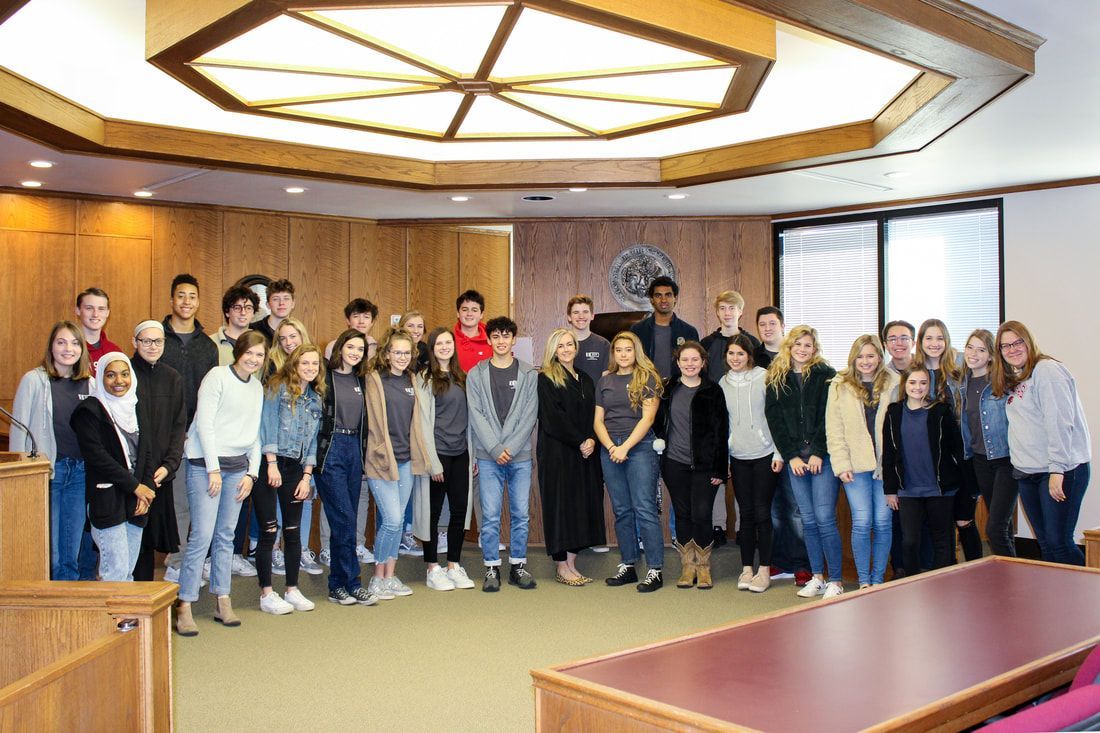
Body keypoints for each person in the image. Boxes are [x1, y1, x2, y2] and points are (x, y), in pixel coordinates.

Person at [175, 331, 266, 636]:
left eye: (260, 355)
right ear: (238, 351)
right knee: (201, 536)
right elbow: (204, 424)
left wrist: (252, 474)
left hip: (238, 469)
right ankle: (185, 603)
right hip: (205, 466)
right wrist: (213, 468)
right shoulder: (217, 377)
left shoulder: (256, 387)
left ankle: (222, 599)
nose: (253, 359)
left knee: (226, 536)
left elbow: (255, 434)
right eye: (249, 353)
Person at [993, 320, 1091, 566]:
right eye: (1005, 346)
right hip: (1027, 472)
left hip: (1059, 470)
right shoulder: (1016, 377)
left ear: (1029, 342)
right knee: (1045, 543)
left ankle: (1087, 589)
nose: (1012, 349)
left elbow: (1059, 422)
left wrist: (1057, 469)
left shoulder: (1046, 370)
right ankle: (1056, 591)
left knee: (1059, 542)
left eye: (1018, 342)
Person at [10, 321, 93, 580]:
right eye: (61, 342)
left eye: (75, 343)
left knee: (71, 548)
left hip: (80, 472)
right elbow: (19, 431)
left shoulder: (90, 384)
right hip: (47, 472)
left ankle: (67, 596)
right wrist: (19, 476)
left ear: (82, 349)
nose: (68, 348)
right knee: (51, 551)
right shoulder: (34, 380)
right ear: (51, 347)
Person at [765, 325, 841, 599]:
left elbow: (830, 417)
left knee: (824, 518)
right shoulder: (777, 377)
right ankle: (817, 577)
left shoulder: (827, 376)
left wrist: (819, 451)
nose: (802, 349)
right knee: (807, 520)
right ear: (789, 346)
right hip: (795, 460)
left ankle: (836, 580)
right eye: (797, 344)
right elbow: (775, 421)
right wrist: (791, 456)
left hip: (823, 458)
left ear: (815, 348)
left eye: (807, 345)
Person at [364, 327, 440, 599]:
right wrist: (378, 451)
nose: (402, 357)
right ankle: (377, 577)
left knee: (395, 522)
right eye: (397, 352)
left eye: (407, 353)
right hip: (382, 461)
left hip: (407, 461)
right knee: (393, 520)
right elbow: (371, 421)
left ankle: (390, 575)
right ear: (386, 353)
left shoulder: (411, 379)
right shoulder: (374, 379)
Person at [467, 316, 539, 592]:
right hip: (488, 457)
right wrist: (496, 449)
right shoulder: (476, 374)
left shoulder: (529, 373)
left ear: (513, 339)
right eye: (495, 336)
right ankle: (491, 568)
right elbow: (476, 415)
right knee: (490, 515)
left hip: (520, 456)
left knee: (521, 514)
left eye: (505, 336)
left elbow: (530, 414)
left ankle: (518, 566)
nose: (500, 341)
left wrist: (510, 448)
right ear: (488, 339)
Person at [70, 353, 155, 582]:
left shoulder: (136, 407)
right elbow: (98, 457)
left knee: (127, 572)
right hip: (107, 499)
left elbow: (147, 452)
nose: (119, 381)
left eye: (125, 374)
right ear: (100, 378)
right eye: (111, 375)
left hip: (136, 500)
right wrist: (136, 487)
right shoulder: (89, 411)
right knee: (115, 574)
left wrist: (146, 490)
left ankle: (124, 610)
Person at [254, 344, 325, 615]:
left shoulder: (316, 398)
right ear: (294, 364)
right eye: (305, 363)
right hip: (270, 464)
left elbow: (313, 441)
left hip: (297, 468)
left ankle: (292, 589)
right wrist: (271, 464)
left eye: (315, 364)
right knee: (269, 531)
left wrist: (307, 477)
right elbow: (267, 426)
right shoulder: (276, 388)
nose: (310, 368)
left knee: (293, 532)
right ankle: (266, 593)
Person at [825, 335, 899, 588]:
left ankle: (877, 580)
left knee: (883, 522)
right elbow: (834, 428)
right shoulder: (839, 384)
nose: (865, 361)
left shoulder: (894, 382)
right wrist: (841, 464)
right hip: (854, 466)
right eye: (860, 356)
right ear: (853, 358)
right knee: (862, 521)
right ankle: (864, 581)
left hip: (886, 466)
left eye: (870, 355)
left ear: (879, 356)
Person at [654, 341, 728, 589]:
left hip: (706, 466)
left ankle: (703, 568)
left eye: (695, 359)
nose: (690, 364)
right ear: (678, 363)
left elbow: (721, 431)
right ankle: (688, 567)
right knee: (683, 514)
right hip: (674, 463)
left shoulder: (713, 390)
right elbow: (658, 422)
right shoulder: (668, 389)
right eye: (685, 360)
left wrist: (720, 468)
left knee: (702, 514)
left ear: (703, 362)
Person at [594, 331, 665, 592]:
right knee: (622, 510)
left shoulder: (647, 377)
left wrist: (624, 447)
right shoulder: (605, 381)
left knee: (644, 508)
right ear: (613, 354)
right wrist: (612, 447)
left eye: (628, 349)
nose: (623, 354)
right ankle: (629, 564)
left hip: (640, 448)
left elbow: (648, 419)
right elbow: (597, 421)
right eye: (618, 350)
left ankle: (655, 569)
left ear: (636, 352)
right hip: (610, 449)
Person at [160, 273, 219, 582]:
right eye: (181, 295)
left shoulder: (207, 346)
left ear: (198, 302)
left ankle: (192, 558)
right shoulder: (157, 338)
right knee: (175, 502)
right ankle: (177, 560)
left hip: (197, 435)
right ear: (172, 299)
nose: (186, 301)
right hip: (163, 435)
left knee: (198, 502)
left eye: (192, 296)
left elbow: (211, 394)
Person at [537, 328, 605, 586]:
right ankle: (561, 566)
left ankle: (572, 564)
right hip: (557, 453)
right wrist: (580, 441)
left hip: (585, 452)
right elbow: (552, 419)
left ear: (576, 348)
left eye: (569, 345)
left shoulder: (585, 378)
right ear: (553, 350)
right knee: (560, 507)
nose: (566, 349)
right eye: (561, 345)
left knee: (581, 506)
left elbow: (594, 415)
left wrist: (591, 439)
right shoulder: (546, 378)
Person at [882, 366, 964, 575]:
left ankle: (941, 584)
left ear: (929, 386)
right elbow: (889, 453)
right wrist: (890, 490)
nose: (917, 387)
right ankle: (912, 583)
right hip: (908, 489)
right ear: (905, 385)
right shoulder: (894, 412)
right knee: (909, 541)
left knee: (942, 541)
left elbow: (957, 449)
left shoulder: (941, 411)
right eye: (912, 382)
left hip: (939, 489)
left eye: (923, 383)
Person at [314, 329, 377, 606]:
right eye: (350, 347)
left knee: (346, 520)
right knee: (344, 518)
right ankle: (350, 582)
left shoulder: (360, 380)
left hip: (354, 450)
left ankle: (338, 584)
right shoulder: (323, 377)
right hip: (331, 450)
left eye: (360, 349)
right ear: (340, 347)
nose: (355, 353)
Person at [721, 333, 783, 593]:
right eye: (731, 353)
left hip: (765, 455)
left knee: (762, 512)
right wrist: (726, 457)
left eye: (740, 353)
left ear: (749, 355)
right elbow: (723, 425)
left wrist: (778, 453)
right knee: (745, 514)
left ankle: (764, 570)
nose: (735, 358)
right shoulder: (723, 383)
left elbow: (776, 417)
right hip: (738, 456)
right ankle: (747, 568)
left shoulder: (764, 377)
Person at [414, 327, 475, 590]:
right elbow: (422, 423)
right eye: (439, 343)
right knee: (433, 512)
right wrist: (432, 462)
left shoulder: (462, 377)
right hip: (437, 454)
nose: (444, 347)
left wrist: (472, 455)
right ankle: (432, 568)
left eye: (448, 342)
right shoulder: (425, 378)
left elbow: (470, 419)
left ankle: (453, 565)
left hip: (461, 453)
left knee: (460, 511)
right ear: (432, 348)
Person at [755, 306, 810, 586]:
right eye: (762, 324)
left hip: (794, 449)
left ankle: (802, 564)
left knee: (796, 509)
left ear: (782, 326)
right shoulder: (754, 357)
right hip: (764, 447)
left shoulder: (797, 360)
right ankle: (779, 561)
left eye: (772, 323)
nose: (767, 328)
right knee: (774, 509)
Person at [130, 320, 186, 582]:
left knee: (150, 539)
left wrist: (169, 465)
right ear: (135, 342)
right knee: (132, 537)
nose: (152, 346)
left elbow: (178, 426)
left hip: (160, 473)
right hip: (131, 474)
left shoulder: (172, 377)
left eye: (158, 341)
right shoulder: (125, 373)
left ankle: (145, 598)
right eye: (146, 341)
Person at [960, 328, 1015, 557]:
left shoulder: (1002, 382)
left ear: (991, 355)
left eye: (981, 350)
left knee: (995, 528)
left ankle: (1011, 574)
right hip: (980, 460)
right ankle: (1009, 570)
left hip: (1006, 460)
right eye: (970, 347)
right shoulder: (963, 383)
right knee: (1002, 524)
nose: (974, 354)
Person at [629, 276, 699, 380]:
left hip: (678, 386)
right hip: (645, 386)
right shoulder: (637, 330)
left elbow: (696, 365)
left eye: (668, 295)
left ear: (675, 298)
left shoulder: (689, 332)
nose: (663, 300)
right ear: (652, 300)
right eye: (658, 295)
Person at [700, 290, 761, 380]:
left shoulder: (753, 342)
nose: (727, 313)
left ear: (740, 311)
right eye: (722, 308)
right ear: (717, 312)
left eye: (732, 308)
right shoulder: (706, 343)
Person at [913, 318, 963, 411]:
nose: (934, 344)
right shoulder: (913, 370)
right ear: (920, 341)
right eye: (929, 338)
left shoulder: (959, 366)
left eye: (940, 338)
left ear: (946, 341)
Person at [565, 295, 611, 386]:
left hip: (595, 395)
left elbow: (606, 382)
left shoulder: (603, 345)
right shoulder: (560, 344)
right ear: (569, 317)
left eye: (585, 312)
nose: (581, 316)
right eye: (576, 312)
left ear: (592, 316)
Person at [74, 287, 120, 374]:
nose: (95, 314)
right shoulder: (68, 350)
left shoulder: (114, 352)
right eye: (89, 308)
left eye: (101, 309)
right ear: (78, 310)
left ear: (107, 313)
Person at [213, 285, 260, 366]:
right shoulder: (211, 342)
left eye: (248, 308)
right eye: (237, 308)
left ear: (253, 313)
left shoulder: (260, 342)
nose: (243, 313)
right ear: (227, 312)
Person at [454, 290, 491, 372]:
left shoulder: (492, 340)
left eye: (474, 310)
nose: (469, 314)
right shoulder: (449, 341)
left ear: (481, 315)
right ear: (458, 313)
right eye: (465, 310)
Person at [252, 278, 295, 344]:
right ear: (268, 304)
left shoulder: (298, 332)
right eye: (275, 299)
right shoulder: (253, 330)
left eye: (286, 298)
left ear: (293, 304)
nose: (281, 303)